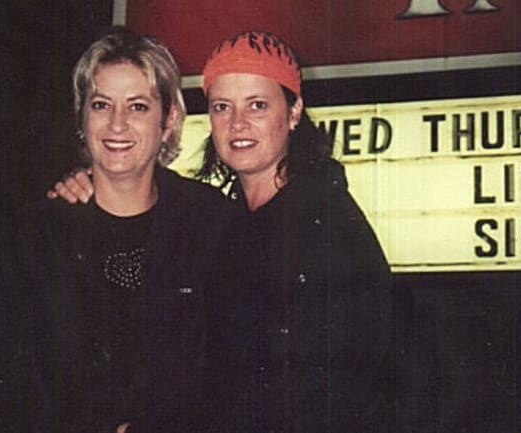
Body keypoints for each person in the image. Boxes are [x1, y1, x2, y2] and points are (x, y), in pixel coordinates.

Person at [48, 30, 397, 433]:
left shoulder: (322, 227)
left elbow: (322, 396)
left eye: (258, 105)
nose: (238, 123)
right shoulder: (229, 218)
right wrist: (89, 181)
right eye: (222, 107)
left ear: (294, 112)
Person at [0, 26, 236, 433]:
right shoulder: (32, 239)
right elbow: (0, 385)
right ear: (82, 118)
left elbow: (233, 377)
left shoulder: (212, 225)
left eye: (138, 107)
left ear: (168, 120)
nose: (117, 124)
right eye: (101, 105)